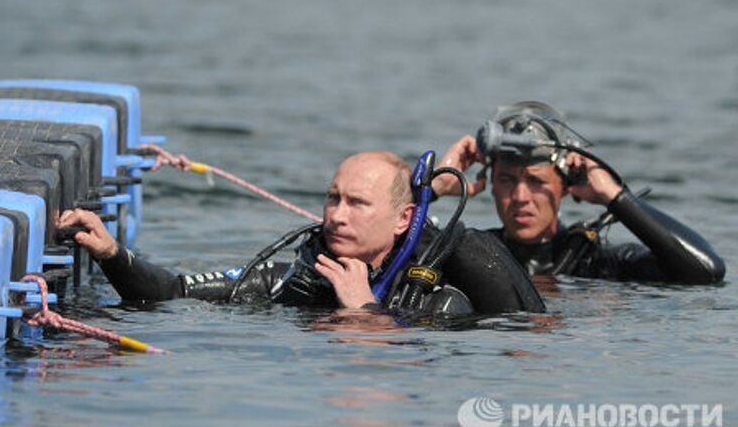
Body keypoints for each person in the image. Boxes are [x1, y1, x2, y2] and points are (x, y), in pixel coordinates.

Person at [60, 150, 545, 315]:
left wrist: (363, 310)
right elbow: (171, 293)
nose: (337, 214)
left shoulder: (438, 302)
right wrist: (110, 252)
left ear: (403, 219)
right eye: (334, 198)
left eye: (357, 203)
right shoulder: (291, 278)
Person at [432, 101, 725, 284]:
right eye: (507, 180)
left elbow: (706, 271)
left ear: (565, 186)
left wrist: (615, 197)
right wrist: (434, 188)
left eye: (537, 181)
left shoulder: (597, 264)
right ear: (491, 184)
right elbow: (389, 250)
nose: (521, 196)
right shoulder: (471, 253)